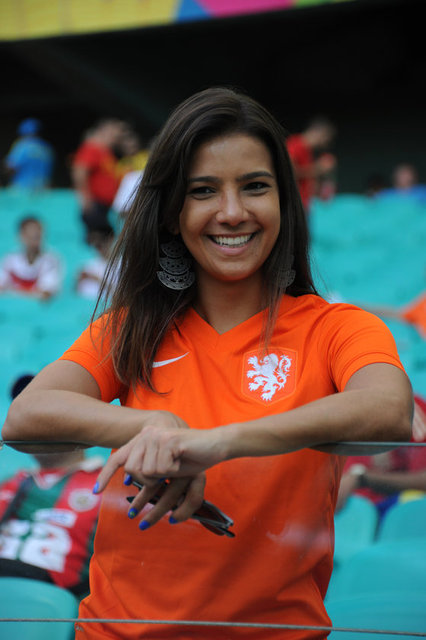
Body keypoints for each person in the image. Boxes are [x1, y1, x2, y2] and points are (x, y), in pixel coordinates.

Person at [2, 87, 413, 640]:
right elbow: (25, 417)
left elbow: (389, 409)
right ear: (173, 214)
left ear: (285, 202)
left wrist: (216, 443)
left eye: (255, 187)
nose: (233, 212)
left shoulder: (337, 327)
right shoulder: (130, 328)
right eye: (203, 191)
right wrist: (154, 426)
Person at [0, 374, 102, 597]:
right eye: (27, 412)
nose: (34, 420)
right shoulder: (9, 484)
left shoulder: (111, 484)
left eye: (46, 408)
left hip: (53, 602)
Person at [337, 394, 426, 517]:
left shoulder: (409, 408)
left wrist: (362, 477)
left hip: (396, 508)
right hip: (352, 512)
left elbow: (423, 480)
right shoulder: (336, 410)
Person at [71, 119, 128, 232]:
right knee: (100, 236)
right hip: (95, 204)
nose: (116, 139)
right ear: (103, 131)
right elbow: (79, 172)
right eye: (113, 134)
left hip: (106, 206)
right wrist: (85, 197)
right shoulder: (92, 148)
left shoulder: (106, 153)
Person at [0, 216, 62, 300]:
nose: (34, 239)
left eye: (37, 235)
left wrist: (10, 291)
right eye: (29, 235)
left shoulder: (51, 260)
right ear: (20, 236)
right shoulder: (10, 259)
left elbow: (45, 295)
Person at [286, 117, 337, 214]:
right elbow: (288, 172)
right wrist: (319, 168)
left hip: (304, 204)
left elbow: (307, 178)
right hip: (293, 204)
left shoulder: (308, 151)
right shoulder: (294, 143)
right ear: (319, 133)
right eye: (326, 139)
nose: (326, 144)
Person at [4, 118, 54, 191]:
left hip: (22, 188)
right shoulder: (47, 148)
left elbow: (11, 167)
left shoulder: (22, 145)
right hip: (42, 189)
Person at [76, 223, 116, 299]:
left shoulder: (123, 264)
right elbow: (76, 293)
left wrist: (96, 278)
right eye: (96, 245)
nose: (99, 248)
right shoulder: (87, 265)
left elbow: (119, 294)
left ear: (111, 239)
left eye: (101, 242)